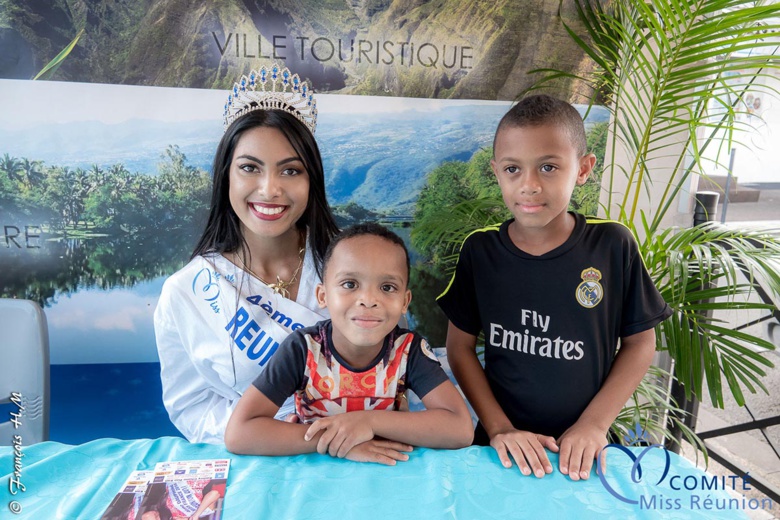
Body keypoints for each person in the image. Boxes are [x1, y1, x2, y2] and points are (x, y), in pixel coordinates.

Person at [437, 94, 672, 481]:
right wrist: (499, 428)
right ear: (496, 172)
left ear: (583, 169)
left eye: (548, 167)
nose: (529, 186)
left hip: (582, 450)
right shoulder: (480, 251)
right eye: (513, 169)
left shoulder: (612, 245)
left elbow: (640, 343)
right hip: (500, 447)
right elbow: (459, 349)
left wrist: (594, 425)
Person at [154, 63, 339, 443]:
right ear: (226, 176)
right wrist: (284, 434)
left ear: (312, 180)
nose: (270, 189)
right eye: (250, 168)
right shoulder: (187, 291)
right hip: (251, 459)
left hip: (355, 453)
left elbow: (396, 368)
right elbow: (192, 407)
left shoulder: (349, 266)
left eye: (291, 171)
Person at [224, 223, 473, 463]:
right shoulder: (303, 349)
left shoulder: (408, 350)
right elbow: (240, 433)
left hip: (387, 470)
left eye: (387, 287)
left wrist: (367, 422)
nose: (368, 299)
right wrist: (340, 442)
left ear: (405, 302)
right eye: (350, 284)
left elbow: (460, 429)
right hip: (317, 469)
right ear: (323, 295)